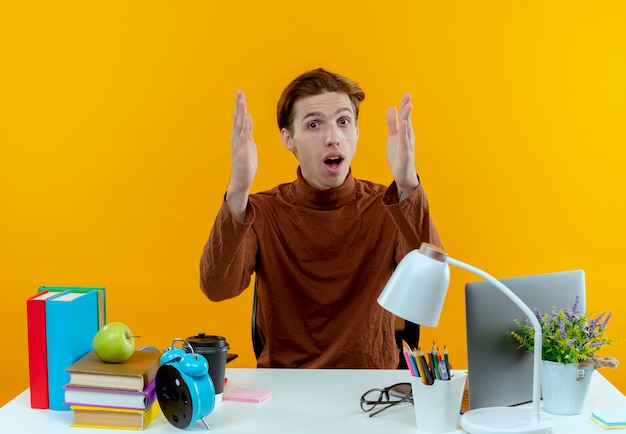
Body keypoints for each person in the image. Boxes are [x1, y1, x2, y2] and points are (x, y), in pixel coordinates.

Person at [200, 68, 442, 369]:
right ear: (289, 139)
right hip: (285, 388)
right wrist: (237, 190)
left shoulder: (389, 205)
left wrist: (407, 185)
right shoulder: (263, 211)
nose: (333, 138)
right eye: (314, 125)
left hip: (372, 391)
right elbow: (217, 287)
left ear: (356, 132)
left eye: (343, 122)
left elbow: (430, 280)